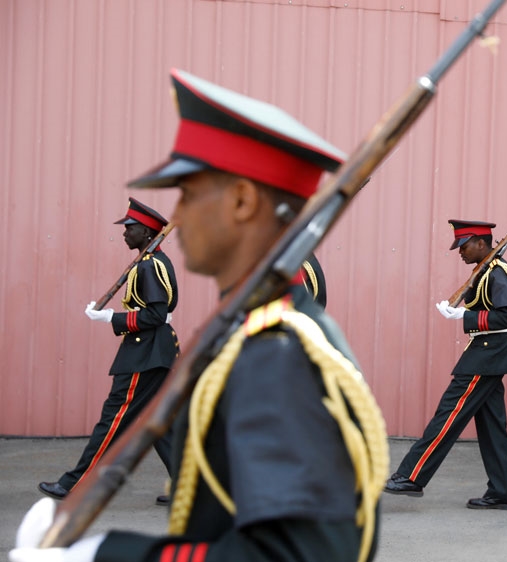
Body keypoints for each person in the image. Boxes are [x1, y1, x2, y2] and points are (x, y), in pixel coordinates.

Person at [12, 68, 388, 562]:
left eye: (189, 193)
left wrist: (104, 555)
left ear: (241, 199)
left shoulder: (276, 355)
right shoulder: (251, 335)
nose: (179, 216)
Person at [38, 197, 178, 507]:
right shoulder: (148, 262)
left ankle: (74, 483)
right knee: (159, 423)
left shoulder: (150, 265)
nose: (124, 233)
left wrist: (111, 318)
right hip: (154, 351)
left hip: (146, 353)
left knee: (113, 419)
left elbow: (155, 315)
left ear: (145, 231)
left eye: (129, 228)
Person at [383, 220, 507, 510]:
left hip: (487, 354)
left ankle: (411, 476)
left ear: (481, 243)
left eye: (463, 245)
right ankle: (502, 492)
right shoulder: (487, 271)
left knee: (448, 415)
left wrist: (463, 316)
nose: (459, 252)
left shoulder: (498, 274)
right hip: (488, 353)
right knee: (491, 426)